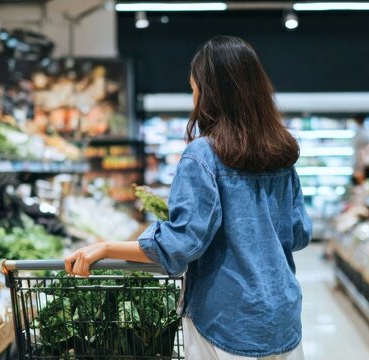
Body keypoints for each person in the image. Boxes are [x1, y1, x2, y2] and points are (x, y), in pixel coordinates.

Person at [65, 35, 312, 360]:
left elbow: (182, 243)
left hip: (227, 322)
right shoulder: (281, 153)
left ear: (209, 94)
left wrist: (106, 248)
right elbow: (298, 234)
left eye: (194, 89)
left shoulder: (203, 156)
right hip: (282, 317)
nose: (193, 99)